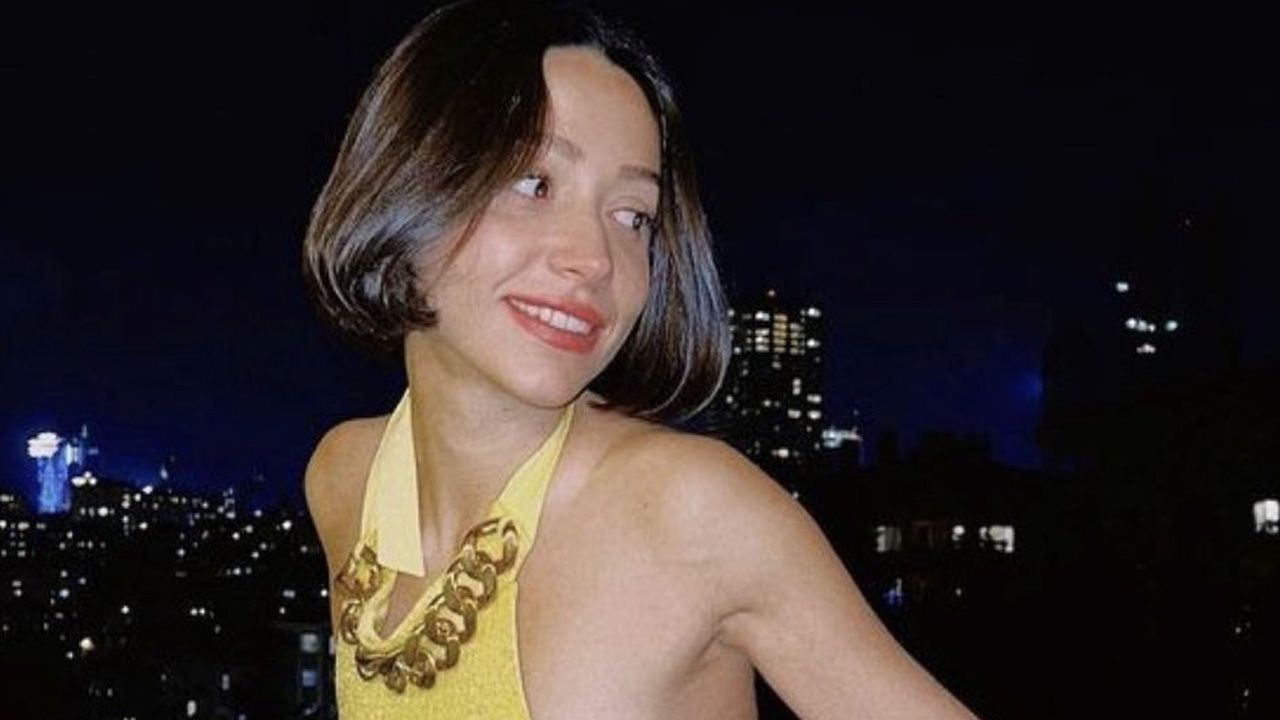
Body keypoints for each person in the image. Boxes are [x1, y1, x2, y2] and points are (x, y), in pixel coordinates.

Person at [302, 1, 979, 717]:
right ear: (407, 181)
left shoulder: (692, 510)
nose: (595, 258)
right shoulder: (346, 478)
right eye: (535, 184)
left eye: (633, 217)